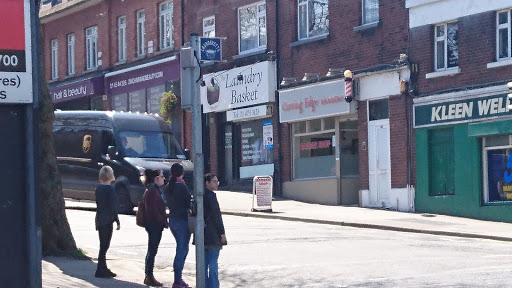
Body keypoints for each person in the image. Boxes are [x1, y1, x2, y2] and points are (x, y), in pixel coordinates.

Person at [164, 163, 192, 288]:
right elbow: (189, 203)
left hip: (173, 220)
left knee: (180, 249)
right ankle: (177, 281)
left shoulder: (167, 187)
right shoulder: (182, 186)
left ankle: (179, 279)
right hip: (182, 221)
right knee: (182, 250)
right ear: (182, 173)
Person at [142, 169, 167, 287]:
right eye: (162, 176)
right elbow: (153, 210)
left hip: (154, 224)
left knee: (152, 250)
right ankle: (149, 276)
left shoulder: (155, 190)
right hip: (154, 225)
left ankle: (149, 275)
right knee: (152, 250)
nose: (164, 178)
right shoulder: (153, 191)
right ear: (156, 179)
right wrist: (162, 221)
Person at [94, 166, 120, 278]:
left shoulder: (98, 188)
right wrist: (117, 220)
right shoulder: (110, 189)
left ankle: (103, 267)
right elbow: (113, 206)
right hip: (107, 219)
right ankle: (100, 269)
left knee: (102, 244)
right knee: (105, 245)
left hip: (99, 218)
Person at [203, 173, 227, 288]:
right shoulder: (211, 196)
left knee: (203, 265)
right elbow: (217, 216)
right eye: (214, 181)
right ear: (207, 183)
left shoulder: (199, 195)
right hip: (212, 236)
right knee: (212, 265)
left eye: (217, 181)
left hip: (202, 235)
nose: (217, 183)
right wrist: (222, 234)